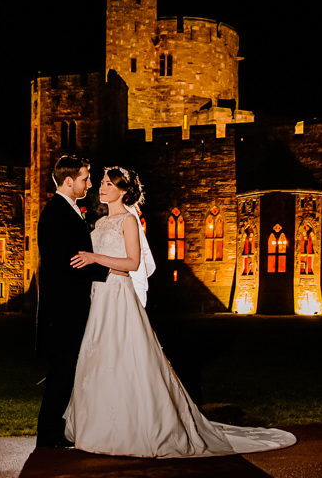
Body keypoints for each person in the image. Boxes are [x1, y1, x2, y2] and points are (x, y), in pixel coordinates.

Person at [63, 167, 297, 458]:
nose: (102, 187)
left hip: (119, 296)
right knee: (98, 357)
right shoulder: (98, 223)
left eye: (109, 183)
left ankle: (134, 428)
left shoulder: (129, 221)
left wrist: (95, 257)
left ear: (124, 190)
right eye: (101, 182)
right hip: (98, 297)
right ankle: (96, 427)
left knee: (124, 356)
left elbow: (134, 262)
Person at [36, 154, 109, 448]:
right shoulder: (56, 213)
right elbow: (67, 263)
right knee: (61, 371)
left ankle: (54, 430)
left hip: (69, 306)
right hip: (64, 309)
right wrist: (109, 270)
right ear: (69, 181)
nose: (89, 184)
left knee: (66, 371)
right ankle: (49, 434)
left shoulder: (69, 211)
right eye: (84, 179)